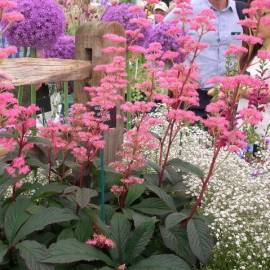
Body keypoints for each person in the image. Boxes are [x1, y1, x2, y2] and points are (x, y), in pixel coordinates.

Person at [165, 0, 246, 118]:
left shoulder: (242, 11)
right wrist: (173, 73)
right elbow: (157, 37)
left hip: (230, 99)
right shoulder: (187, 9)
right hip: (194, 99)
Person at [238, 0, 270, 136]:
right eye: (251, 16)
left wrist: (234, 90)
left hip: (264, 134)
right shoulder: (253, 51)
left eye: (260, 14)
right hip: (244, 131)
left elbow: (266, 94)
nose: (254, 21)